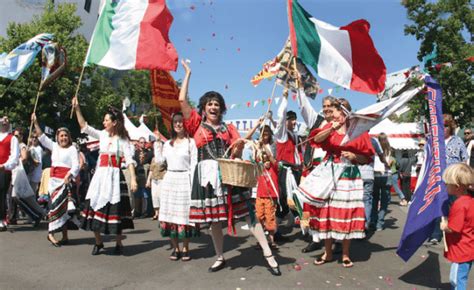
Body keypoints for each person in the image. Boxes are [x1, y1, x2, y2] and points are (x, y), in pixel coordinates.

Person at [178, 60, 280, 275]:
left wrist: (244, 142)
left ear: (221, 108)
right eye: (210, 104)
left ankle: (268, 254)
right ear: (204, 108)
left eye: (217, 104)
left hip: (227, 173)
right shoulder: (195, 124)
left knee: (248, 214)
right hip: (205, 174)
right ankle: (219, 256)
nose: (214, 107)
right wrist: (188, 73)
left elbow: (237, 147)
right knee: (215, 220)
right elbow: (181, 100)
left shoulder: (229, 128)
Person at [295, 98, 375, 268]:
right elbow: (316, 139)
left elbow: (366, 157)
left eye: (339, 110)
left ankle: (346, 254)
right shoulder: (329, 126)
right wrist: (332, 127)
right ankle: (328, 253)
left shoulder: (359, 131)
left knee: (346, 213)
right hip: (329, 172)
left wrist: (355, 157)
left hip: (349, 175)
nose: (335, 113)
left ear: (347, 113)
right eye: (335, 109)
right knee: (327, 212)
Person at [72, 97, 138, 255]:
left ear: (114, 122)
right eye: (104, 120)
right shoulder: (102, 135)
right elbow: (84, 126)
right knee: (93, 206)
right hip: (100, 176)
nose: (104, 122)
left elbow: (129, 161)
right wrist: (77, 108)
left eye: (106, 120)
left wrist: (134, 179)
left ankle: (118, 242)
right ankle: (98, 242)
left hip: (115, 177)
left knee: (116, 210)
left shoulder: (123, 140)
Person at [32, 114, 80, 246]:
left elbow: (76, 165)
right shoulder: (54, 147)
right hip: (54, 182)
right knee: (54, 208)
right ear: (57, 138)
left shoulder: (72, 149)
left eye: (65, 136)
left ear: (69, 137)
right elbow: (42, 137)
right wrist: (35, 122)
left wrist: (69, 175)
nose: (63, 138)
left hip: (65, 181)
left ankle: (65, 236)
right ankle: (50, 234)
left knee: (64, 210)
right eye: (61, 136)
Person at [158, 113, 199, 261]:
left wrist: (194, 183)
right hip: (170, 178)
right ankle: (175, 249)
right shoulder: (167, 143)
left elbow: (194, 165)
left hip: (184, 179)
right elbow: (160, 161)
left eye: (180, 122)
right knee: (169, 215)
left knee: (184, 215)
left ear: (185, 124)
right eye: (175, 122)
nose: (178, 124)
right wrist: (157, 145)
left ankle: (186, 247)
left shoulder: (191, 143)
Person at [430, 114, 468, 244]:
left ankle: (454, 232)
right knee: (439, 207)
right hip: (438, 180)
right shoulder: (434, 142)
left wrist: (463, 178)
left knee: (454, 207)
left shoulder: (457, 141)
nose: (443, 128)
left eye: (446, 126)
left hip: (453, 180)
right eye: (441, 126)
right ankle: (436, 234)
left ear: (450, 127)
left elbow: (464, 160)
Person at [439, 163, 474, 290]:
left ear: (457, 187)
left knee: (457, 281)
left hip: (462, 250)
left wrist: (444, 226)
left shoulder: (459, 204)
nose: (445, 185)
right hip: (468, 246)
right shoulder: (470, 200)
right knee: (459, 278)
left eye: (447, 183)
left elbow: (454, 229)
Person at [9, 128, 45, 227]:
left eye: (19, 135)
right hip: (17, 174)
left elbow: (24, 158)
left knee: (21, 197)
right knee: (19, 197)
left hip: (20, 174)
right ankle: (37, 214)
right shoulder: (16, 146)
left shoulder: (22, 146)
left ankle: (37, 214)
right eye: (16, 135)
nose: (17, 137)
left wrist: (14, 162)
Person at [255, 146, 279, 249]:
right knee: (259, 218)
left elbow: (272, 159)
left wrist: (265, 148)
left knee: (270, 218)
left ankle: (271, 241)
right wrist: (258, 147)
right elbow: (256, 157)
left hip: (270, 198)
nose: (267, 162)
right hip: (260, 196)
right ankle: (261, 240)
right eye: (265, 160)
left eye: (268, 160)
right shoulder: (259, 168)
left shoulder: (275, 168)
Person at [0, 116, 19, 232]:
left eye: (7, 120)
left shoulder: (12, 139)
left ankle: (1, 219)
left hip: (3, 170)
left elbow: (14, 157)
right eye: (2, 120)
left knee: (1, 193)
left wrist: (5, 166)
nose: (4, 122)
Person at [370, 133, 392, 231]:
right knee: (384, 202)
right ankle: (380, 223)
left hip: (374, 175)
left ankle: (373, 221)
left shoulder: (374, 147)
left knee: (374, 199)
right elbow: (390, 163)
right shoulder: (390, 150)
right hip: (386, 176)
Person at [133, 137, 153, 218]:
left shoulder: (149, 153)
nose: (143, 144)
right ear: (138, 143)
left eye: (144, 142)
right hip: (137, 174)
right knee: (137, 195)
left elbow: (149, 161)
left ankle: (145, 212)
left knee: (145, 194)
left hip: (145, 175)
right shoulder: (135, 153)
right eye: (141, 142)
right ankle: (137, 212)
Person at [147, 139, 165, 220]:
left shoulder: (164, 158)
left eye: (158, 146)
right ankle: (156, 213)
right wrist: (148, 180)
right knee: (154, 196)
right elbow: (151, 170)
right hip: (154, 179)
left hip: (162, 178)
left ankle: (162, 212)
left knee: (161, 196)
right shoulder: (153, 159)